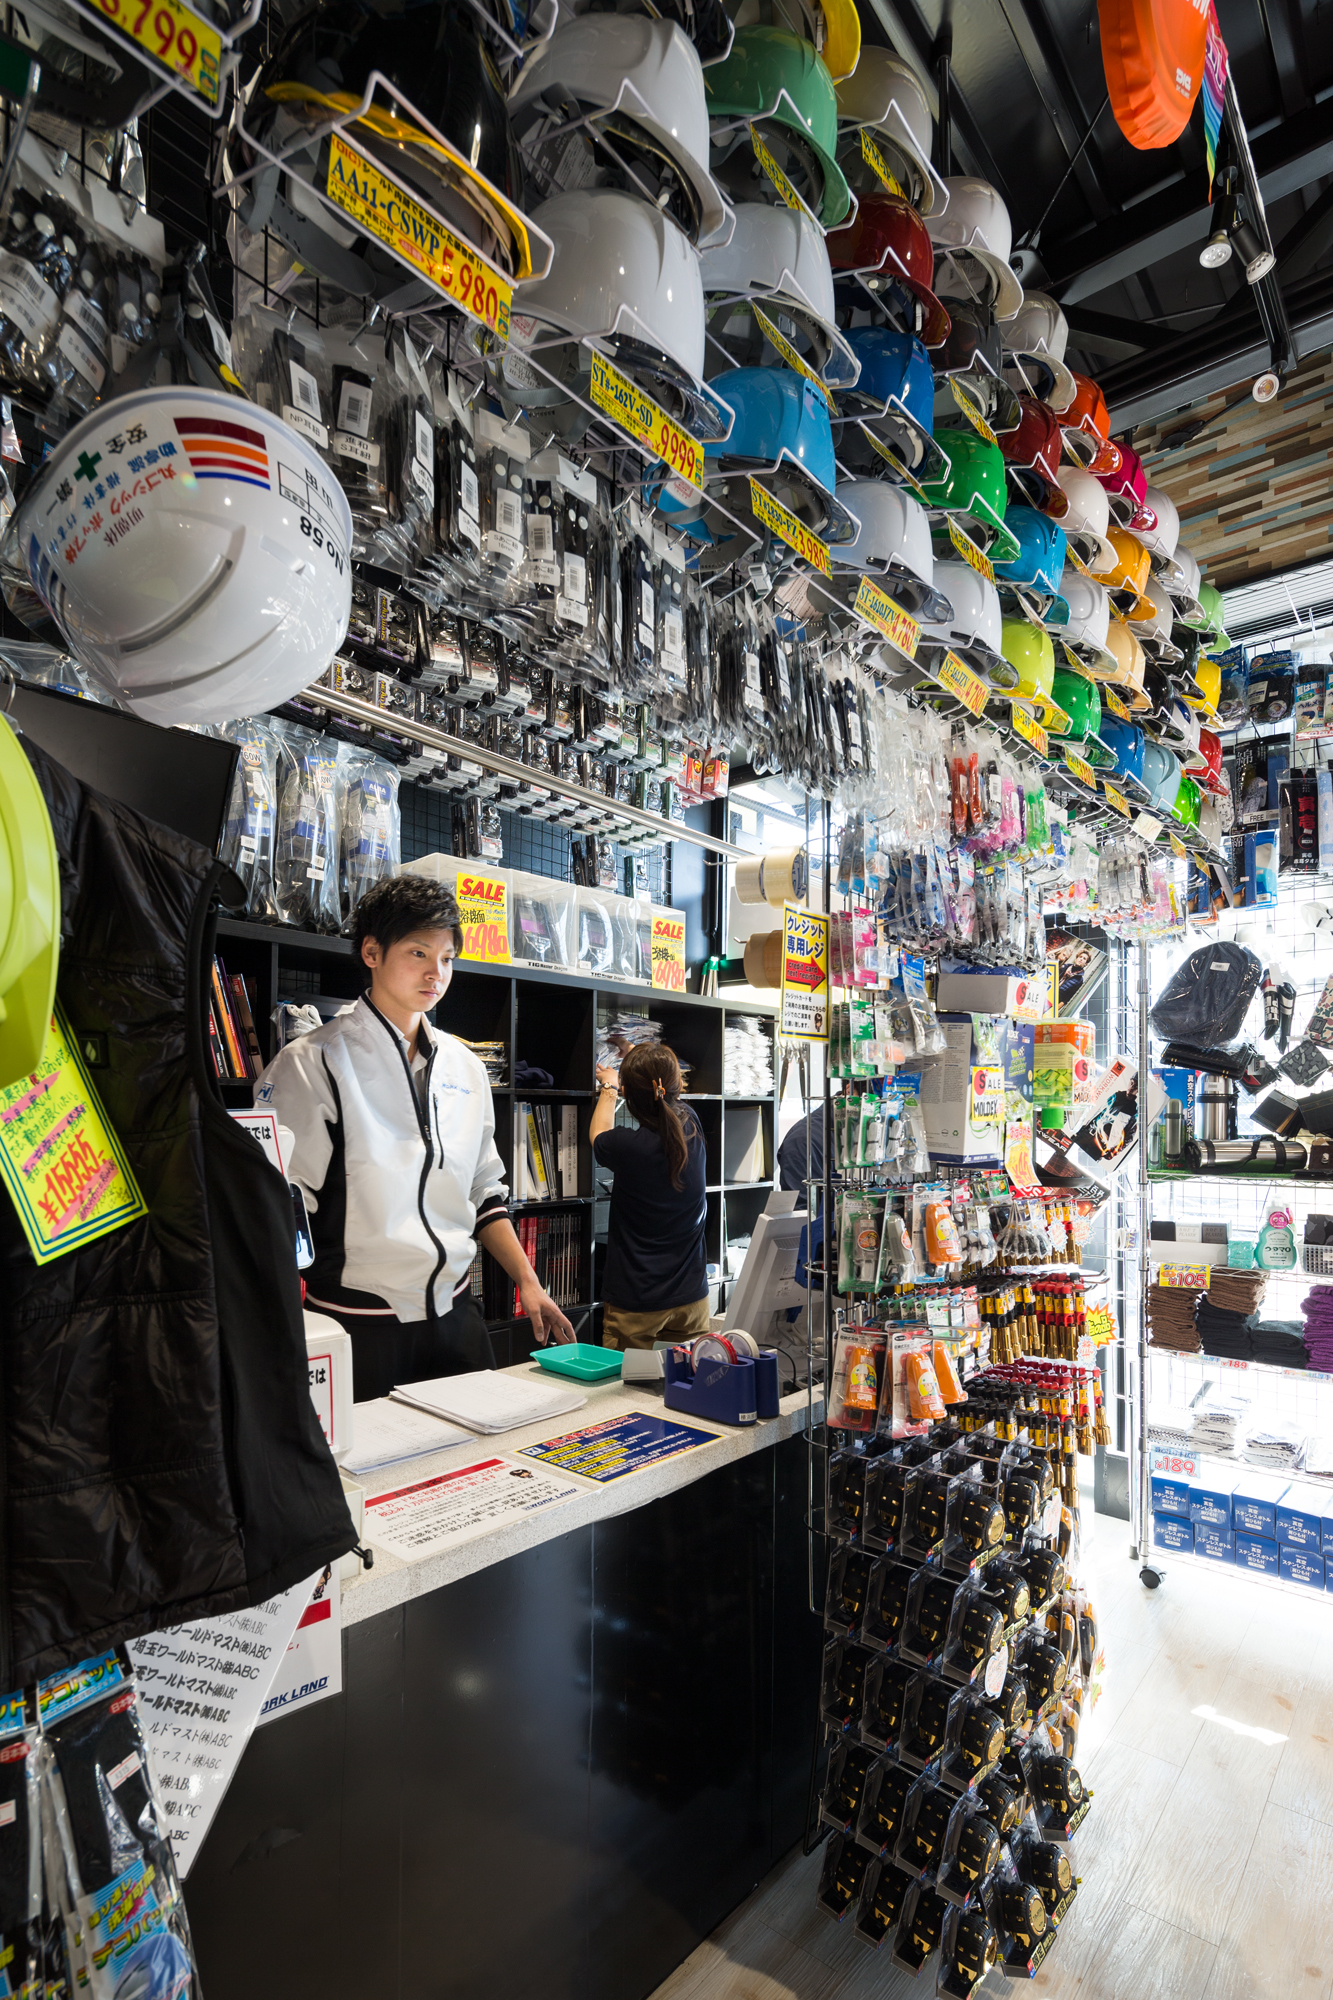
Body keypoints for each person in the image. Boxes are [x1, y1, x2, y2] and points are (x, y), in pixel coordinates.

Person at [256, 874, 574, 1400]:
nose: (436, 973)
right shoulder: (313, 1063)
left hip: (458, 1319)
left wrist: (529, 1282)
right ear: (372, 953)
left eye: (447, 958)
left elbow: (484, 1191)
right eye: (419, 952)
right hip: (358, 1325)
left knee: (485, 1451)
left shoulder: (465, 1066)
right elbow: (280, 1206)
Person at [591, 1043, 709, 1350]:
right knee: (685, 1377)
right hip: (692, 1300)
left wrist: (608, 1087)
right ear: (675, 1086)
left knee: (626, 1380)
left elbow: (598, 1135)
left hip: (637, 1304)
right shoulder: (691, 1124)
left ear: (627, 1092)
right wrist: (642, 1058)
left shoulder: (627, 1146)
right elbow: (664, 1093)